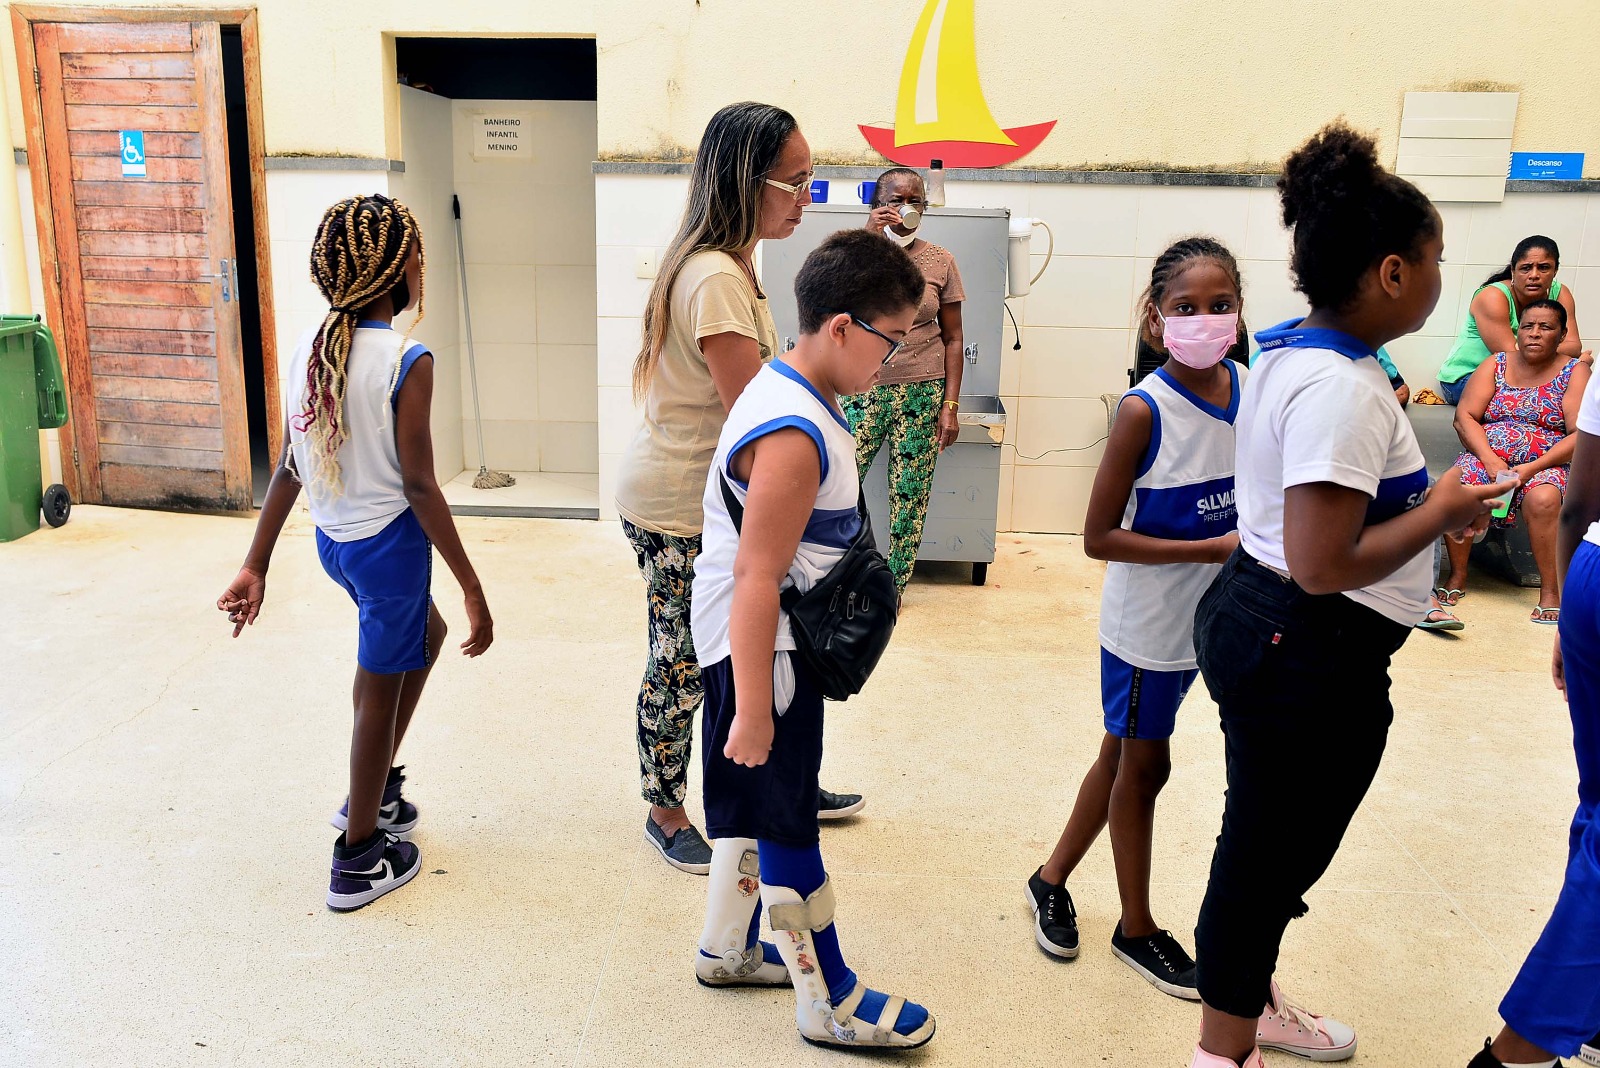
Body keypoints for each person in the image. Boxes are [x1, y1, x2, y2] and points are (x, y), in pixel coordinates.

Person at [1187, 122, 1507, 1068]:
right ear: (1394, 273)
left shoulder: (1312, 354)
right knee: (1264, 859)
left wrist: (1428, 514)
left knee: (1269, 842)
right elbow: (1323, 561)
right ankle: (1222, 1048)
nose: (1445, 275)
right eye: (1437, 258)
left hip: (1277, 625)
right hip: (1305, 642)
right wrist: (1442, 502)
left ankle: (1250, 998)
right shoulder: (1341, 388)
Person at [216, 195, 493, 911]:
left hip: (337, 545)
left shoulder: (313, 348)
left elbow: (288, 465)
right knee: (378, 691)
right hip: (391, 548)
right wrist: (470, 585)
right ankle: (359, 853)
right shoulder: (406, 359)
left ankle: (373, 788)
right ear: (402, 268)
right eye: (418, 258)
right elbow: (422, 486)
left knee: (416, 643)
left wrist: (257, 563)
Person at [692, 229, 934, 1048]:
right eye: (889, 340)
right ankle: (826, 1000)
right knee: (789, 822)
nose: (892, 360)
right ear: (839, 327)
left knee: (748, 805)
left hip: (744, 640)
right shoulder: (796, 432)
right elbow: (761, 578)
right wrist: (756, 709)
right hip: (769, 652)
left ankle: (727, 947)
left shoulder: (785, 387)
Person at [614, 103, 861, 875]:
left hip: (705, 497)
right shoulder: (716, 276)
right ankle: (665, 805)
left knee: (752, 645)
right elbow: (755, 417)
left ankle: (776, 775)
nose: (805, 197)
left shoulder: (733, 263)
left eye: (810, 181)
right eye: (794, 182)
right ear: (745, 181)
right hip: (681, 504)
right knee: (687, 656)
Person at [1026, 237, 1245, 1001]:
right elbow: (1097, 538)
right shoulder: (1143, 411)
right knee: (1144, 766)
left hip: (1215, 619)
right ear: (1156, 322)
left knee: (1120, 756)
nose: (1205, 320)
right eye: (1186, 308)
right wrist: (1211, 546)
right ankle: (1137, 927)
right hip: (1149, 628)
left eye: (1220, 305)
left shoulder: (1248, 388)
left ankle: (1050, 877)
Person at [1467, 340, 1600, 1067]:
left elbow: (1583, 494)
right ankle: (1518, 1054)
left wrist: (1571, 611)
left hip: (1595, 573)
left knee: (1598, 801)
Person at [845, 167, 965, 599]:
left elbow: (953, 338)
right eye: (894, 200)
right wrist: (869, 241)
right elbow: (840, 307)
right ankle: (838, 573)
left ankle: (890, 590)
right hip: (864, 389)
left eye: (914, 201)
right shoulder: (858, 254)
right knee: (838, 484)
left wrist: (950, 408)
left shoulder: (940, 261)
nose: (904, 209)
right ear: (877, 205)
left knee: (909, 498)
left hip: (923, 390)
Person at [1440, 300, 1590, 623]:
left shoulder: (1574, 371)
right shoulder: (1495, 364)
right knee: (1457, 484)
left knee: (1544, 498)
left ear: (1562, 334)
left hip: (1545, 465)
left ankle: (1551, 591)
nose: (1535, 333)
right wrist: (1492, 462)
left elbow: (1579, 434)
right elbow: (1465, 416)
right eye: (1527, 326)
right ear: (1517, 332)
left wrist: (1532, 468)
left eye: (1546, 327)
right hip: (1487, 457)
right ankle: (1457, 576)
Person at [1437, 235, 1589, 403]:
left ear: (1555, 271)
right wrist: (1570, 361)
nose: (1534, 275)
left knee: (1581, 390)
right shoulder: (1492, 296)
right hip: (1466, 377)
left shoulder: (1560, 293)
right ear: (1513, 271)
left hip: (1526, 375)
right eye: (1526, 268)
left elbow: (1574, 345)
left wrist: (1572, 361)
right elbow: (1514, 358)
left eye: (1544, 268)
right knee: (1540, 402)